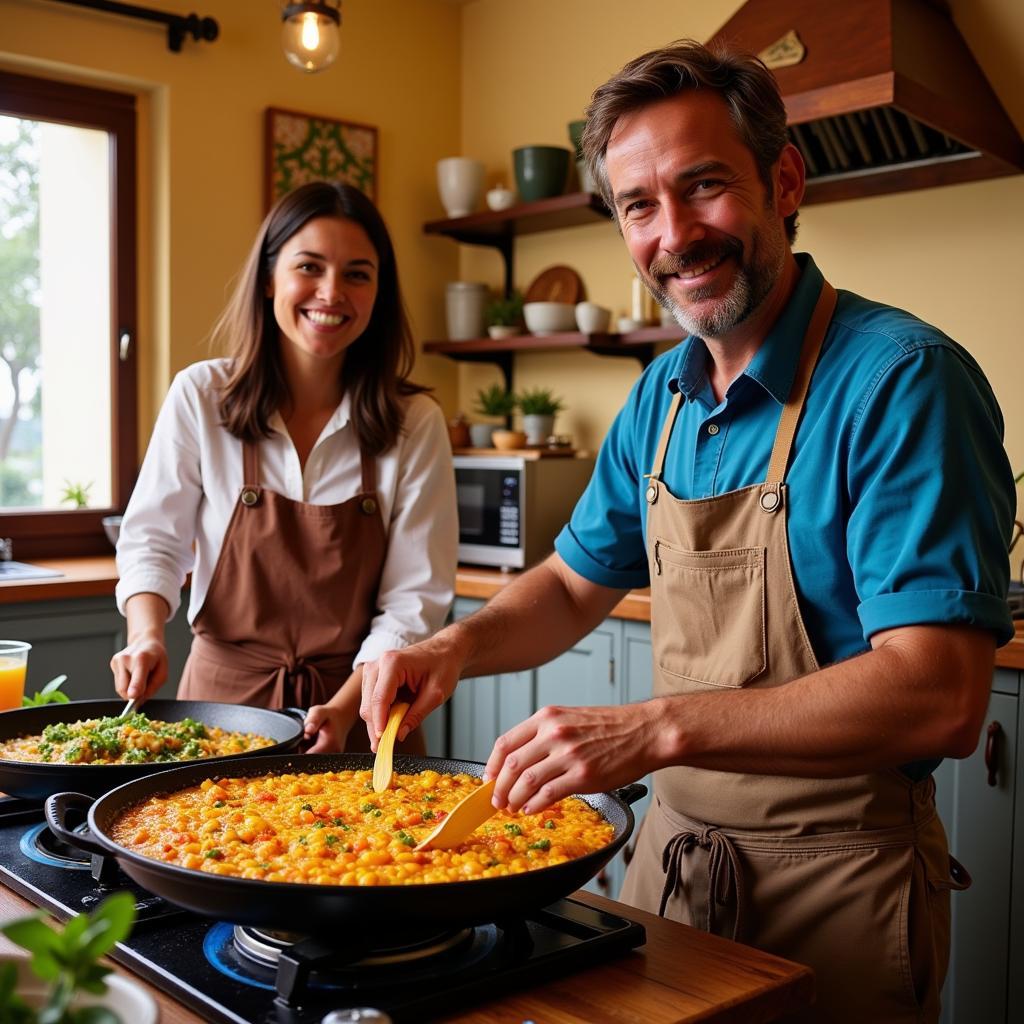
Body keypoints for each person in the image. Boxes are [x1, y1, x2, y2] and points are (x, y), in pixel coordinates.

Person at [357, 39, 1015, 1023]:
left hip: (842, 888)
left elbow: (938, 694)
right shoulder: (659, 396)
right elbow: (572, 586)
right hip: (667, 872)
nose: (674, 234)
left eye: (703, 186)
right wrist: (448, 647)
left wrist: (654, 725)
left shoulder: (899, 382)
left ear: (783, 181)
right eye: (638, 205)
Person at [111, 180, 457, 754]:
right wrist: (146, 636)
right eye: (309, 266)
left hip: (364, 713)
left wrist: (347, 709)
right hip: (218, 714)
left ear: (379, 293)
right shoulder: (202, 394)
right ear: (270, 276)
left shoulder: (414, 420)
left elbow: (414, 601)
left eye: (357, 273)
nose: (331, 292)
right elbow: (153, 540)